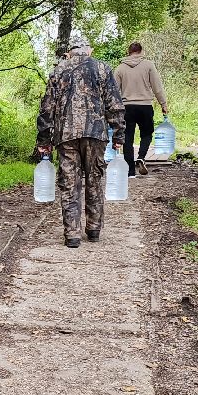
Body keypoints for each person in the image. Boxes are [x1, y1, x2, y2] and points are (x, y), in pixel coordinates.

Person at [36, 33, 125, 248]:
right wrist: (119, 134)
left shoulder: (59, 70)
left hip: (66, 136)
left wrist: (43, 139)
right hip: (95, 134)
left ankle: (72, 234)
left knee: (69, 183)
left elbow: (47, 107)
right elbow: (114, 104)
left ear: (69, 52)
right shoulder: (102, 68)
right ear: (89, 50)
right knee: (94, 180)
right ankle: (93, 229)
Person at [113, 41, 169, 177]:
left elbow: (114, 91)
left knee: (127, 138)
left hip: (127, 108)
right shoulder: (149, 65)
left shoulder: (120, 68)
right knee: (147, 134)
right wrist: (163, 103)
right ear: (141, 51)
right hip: (145, 106)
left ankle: (130, 171)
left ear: (128, 52)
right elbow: (157, 86)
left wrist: (113, 109)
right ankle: (141, 157)